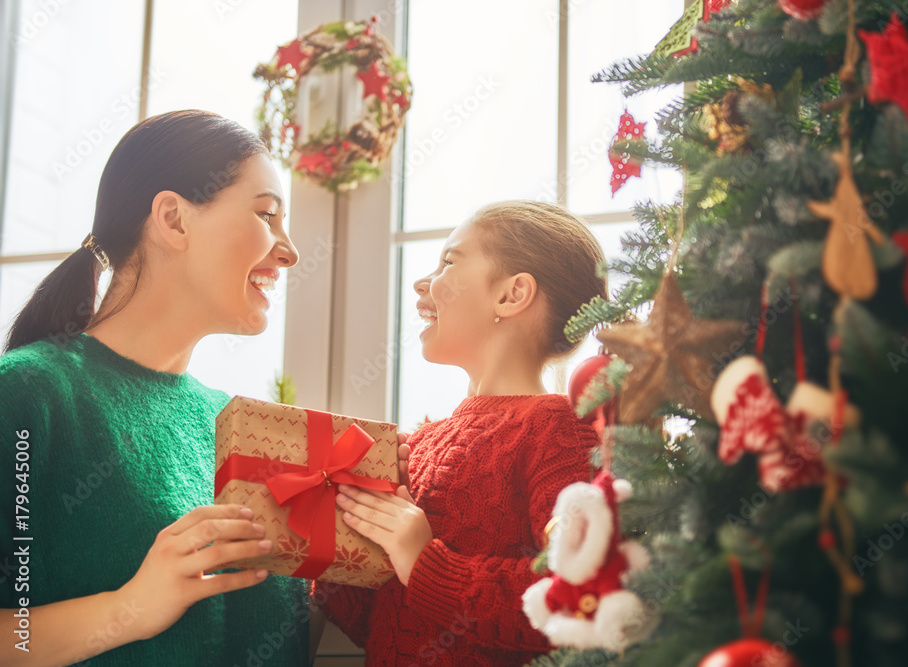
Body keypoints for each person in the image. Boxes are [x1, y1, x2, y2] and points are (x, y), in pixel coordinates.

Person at [0, 110, 312, 666]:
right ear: (173, 219)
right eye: (267, 214)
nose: (289, 252)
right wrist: (130, 608)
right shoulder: (29, 394)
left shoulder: (238, 425)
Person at [315, 200, 608, 665]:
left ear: (512, 295)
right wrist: (337, 538)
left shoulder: (558, 430)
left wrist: (423, 563)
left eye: (449, 261)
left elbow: (575, 602)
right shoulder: (423, 442)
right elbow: (374, 624)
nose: (421, 283)